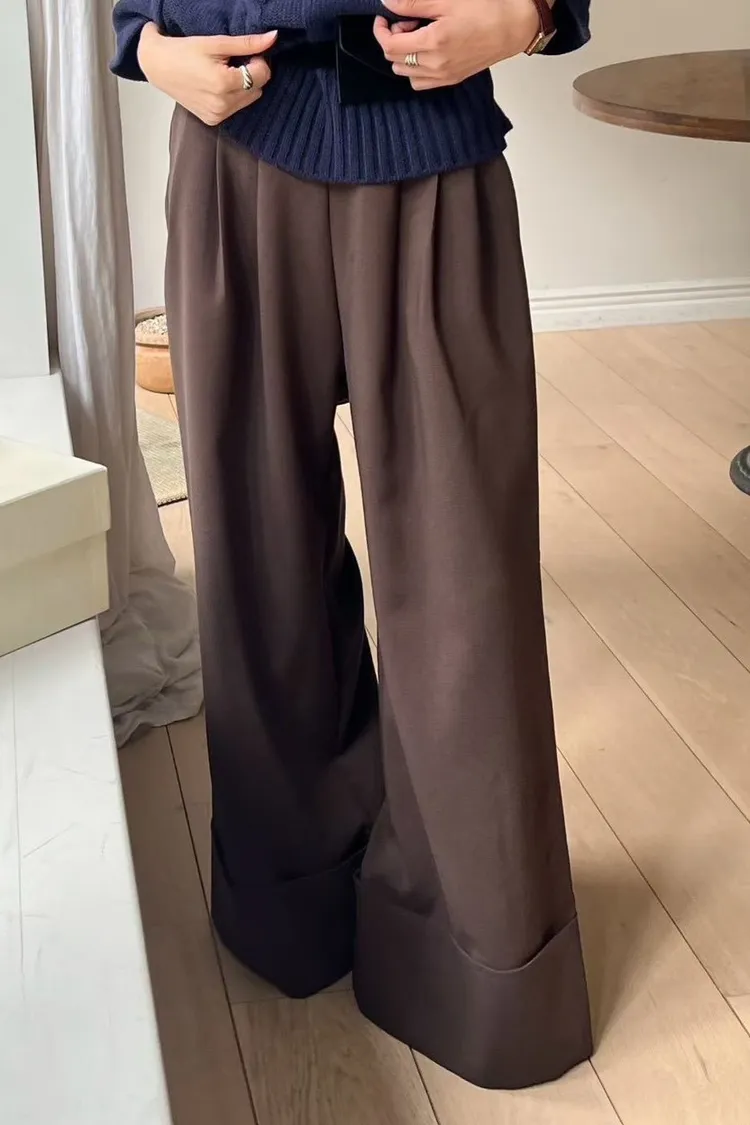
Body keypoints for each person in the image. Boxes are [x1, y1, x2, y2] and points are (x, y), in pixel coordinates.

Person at [112, 0, 593, 1090]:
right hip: (230, 145)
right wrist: (143, 42)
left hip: (430, 144)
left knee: (464, 587)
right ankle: (294, 901)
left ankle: (482, 965)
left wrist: (530, 16)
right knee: (257, 565)